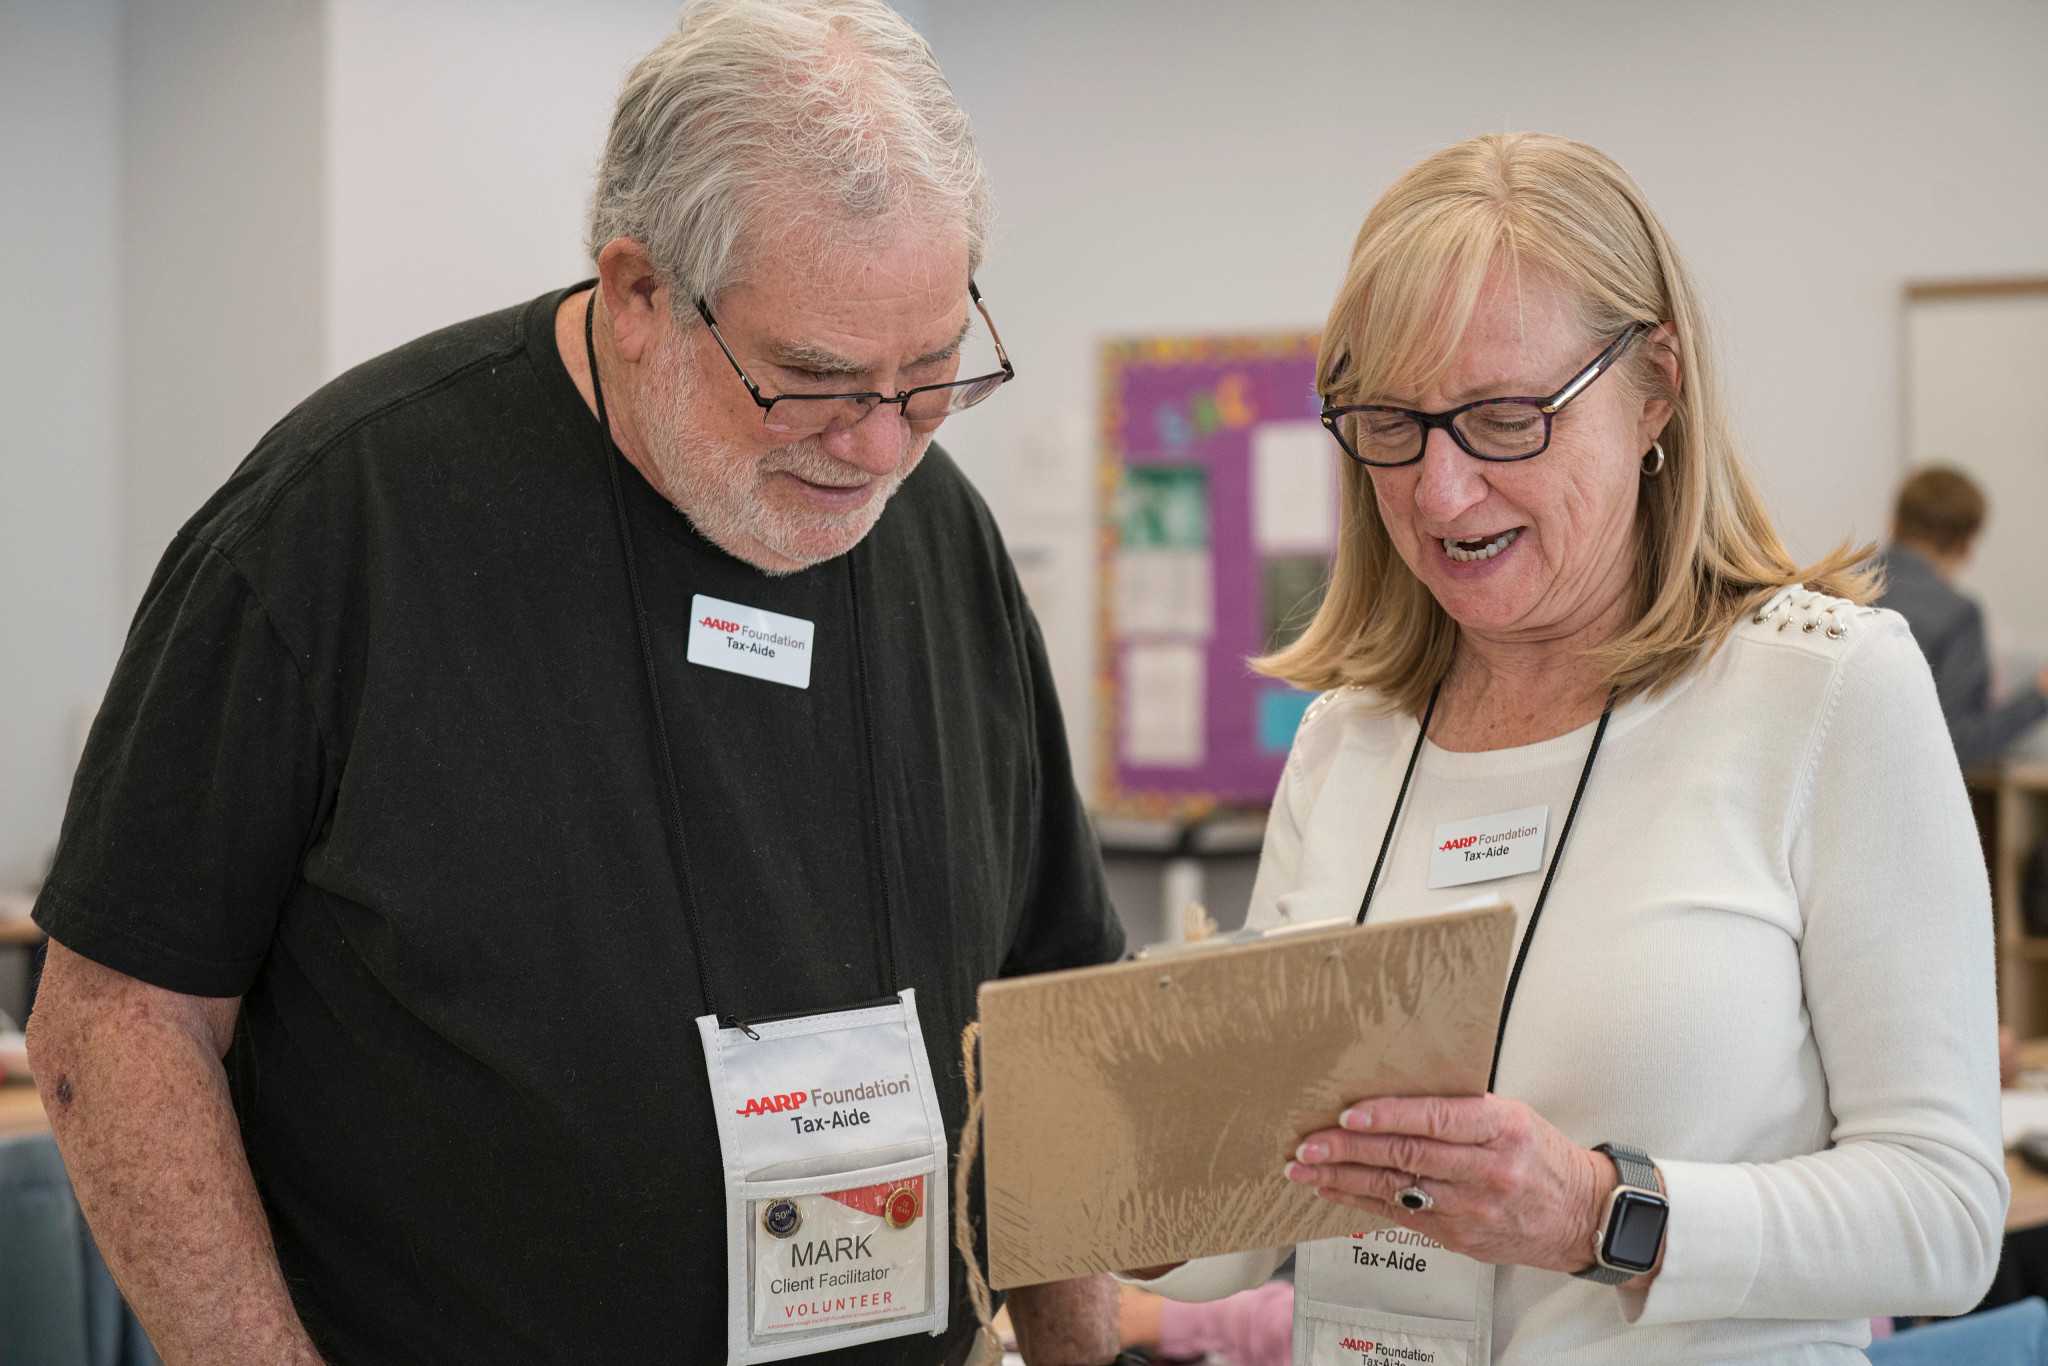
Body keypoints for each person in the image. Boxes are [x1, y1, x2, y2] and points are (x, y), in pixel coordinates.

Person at [23, 3, 1125, 1363]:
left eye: (934, 371)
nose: (881, 448)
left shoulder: (939, 535)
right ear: (640, 292)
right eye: (815, 380)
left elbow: (1048, 1006)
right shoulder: (340, 528)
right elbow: (116, 1020)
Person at [1125, 133, 2004, 1363]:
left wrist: (1598, 1212)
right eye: (1390, 423)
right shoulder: (1347, 740)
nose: (1438, 492)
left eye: (1502, 419)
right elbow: (1241, 1224)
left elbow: (1945, 1216)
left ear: (1654, 391)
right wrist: (1103, 1166)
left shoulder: (1825, 689)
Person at [1874, 466, 2048, 768]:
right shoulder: (1957, 615)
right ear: (1968, 545)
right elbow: (1957, 742)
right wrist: (2039, 697)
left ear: (1893, 522)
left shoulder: (1836, 590)